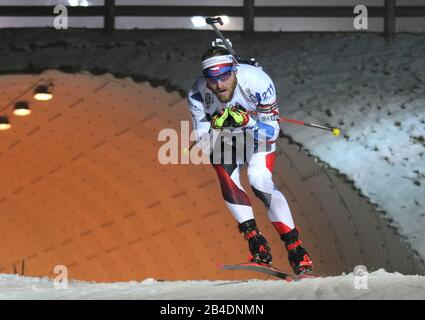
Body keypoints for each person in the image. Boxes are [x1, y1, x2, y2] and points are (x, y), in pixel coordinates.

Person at [188, 46, 313, 275]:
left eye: (225, 76)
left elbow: (272, 133)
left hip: (257, 135)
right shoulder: (197, 94)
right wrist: (216, 126)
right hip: (227, 138)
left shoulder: (258, 82)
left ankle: (296, 249)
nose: (220, 85)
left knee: (259, 181)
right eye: (212, 79)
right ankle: (257, 243)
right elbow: (202, 137)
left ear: (234, 70)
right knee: (225, 175)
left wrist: (248, 124)